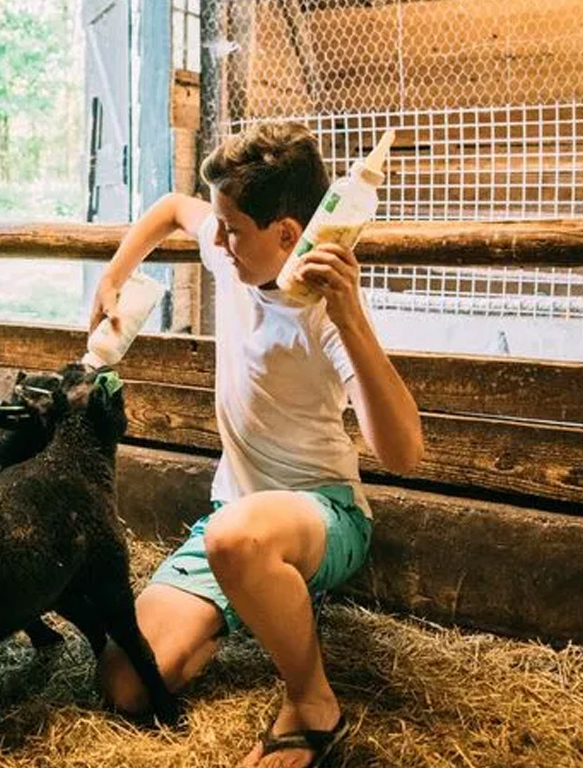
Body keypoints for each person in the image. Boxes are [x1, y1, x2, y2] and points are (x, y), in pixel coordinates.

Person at [89, 122, 424, 768]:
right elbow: (169, 211)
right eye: (219, 225)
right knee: (125, 683)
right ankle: (252, 599)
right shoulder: (232, 254)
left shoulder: (326, 315)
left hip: (323, 514)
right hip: (234, 516)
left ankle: (312, 701)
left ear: (289, 236)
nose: (215, 240)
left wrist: (354, 321)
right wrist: (112, 276)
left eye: (232, 229)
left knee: (236, 539)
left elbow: (405, 453)